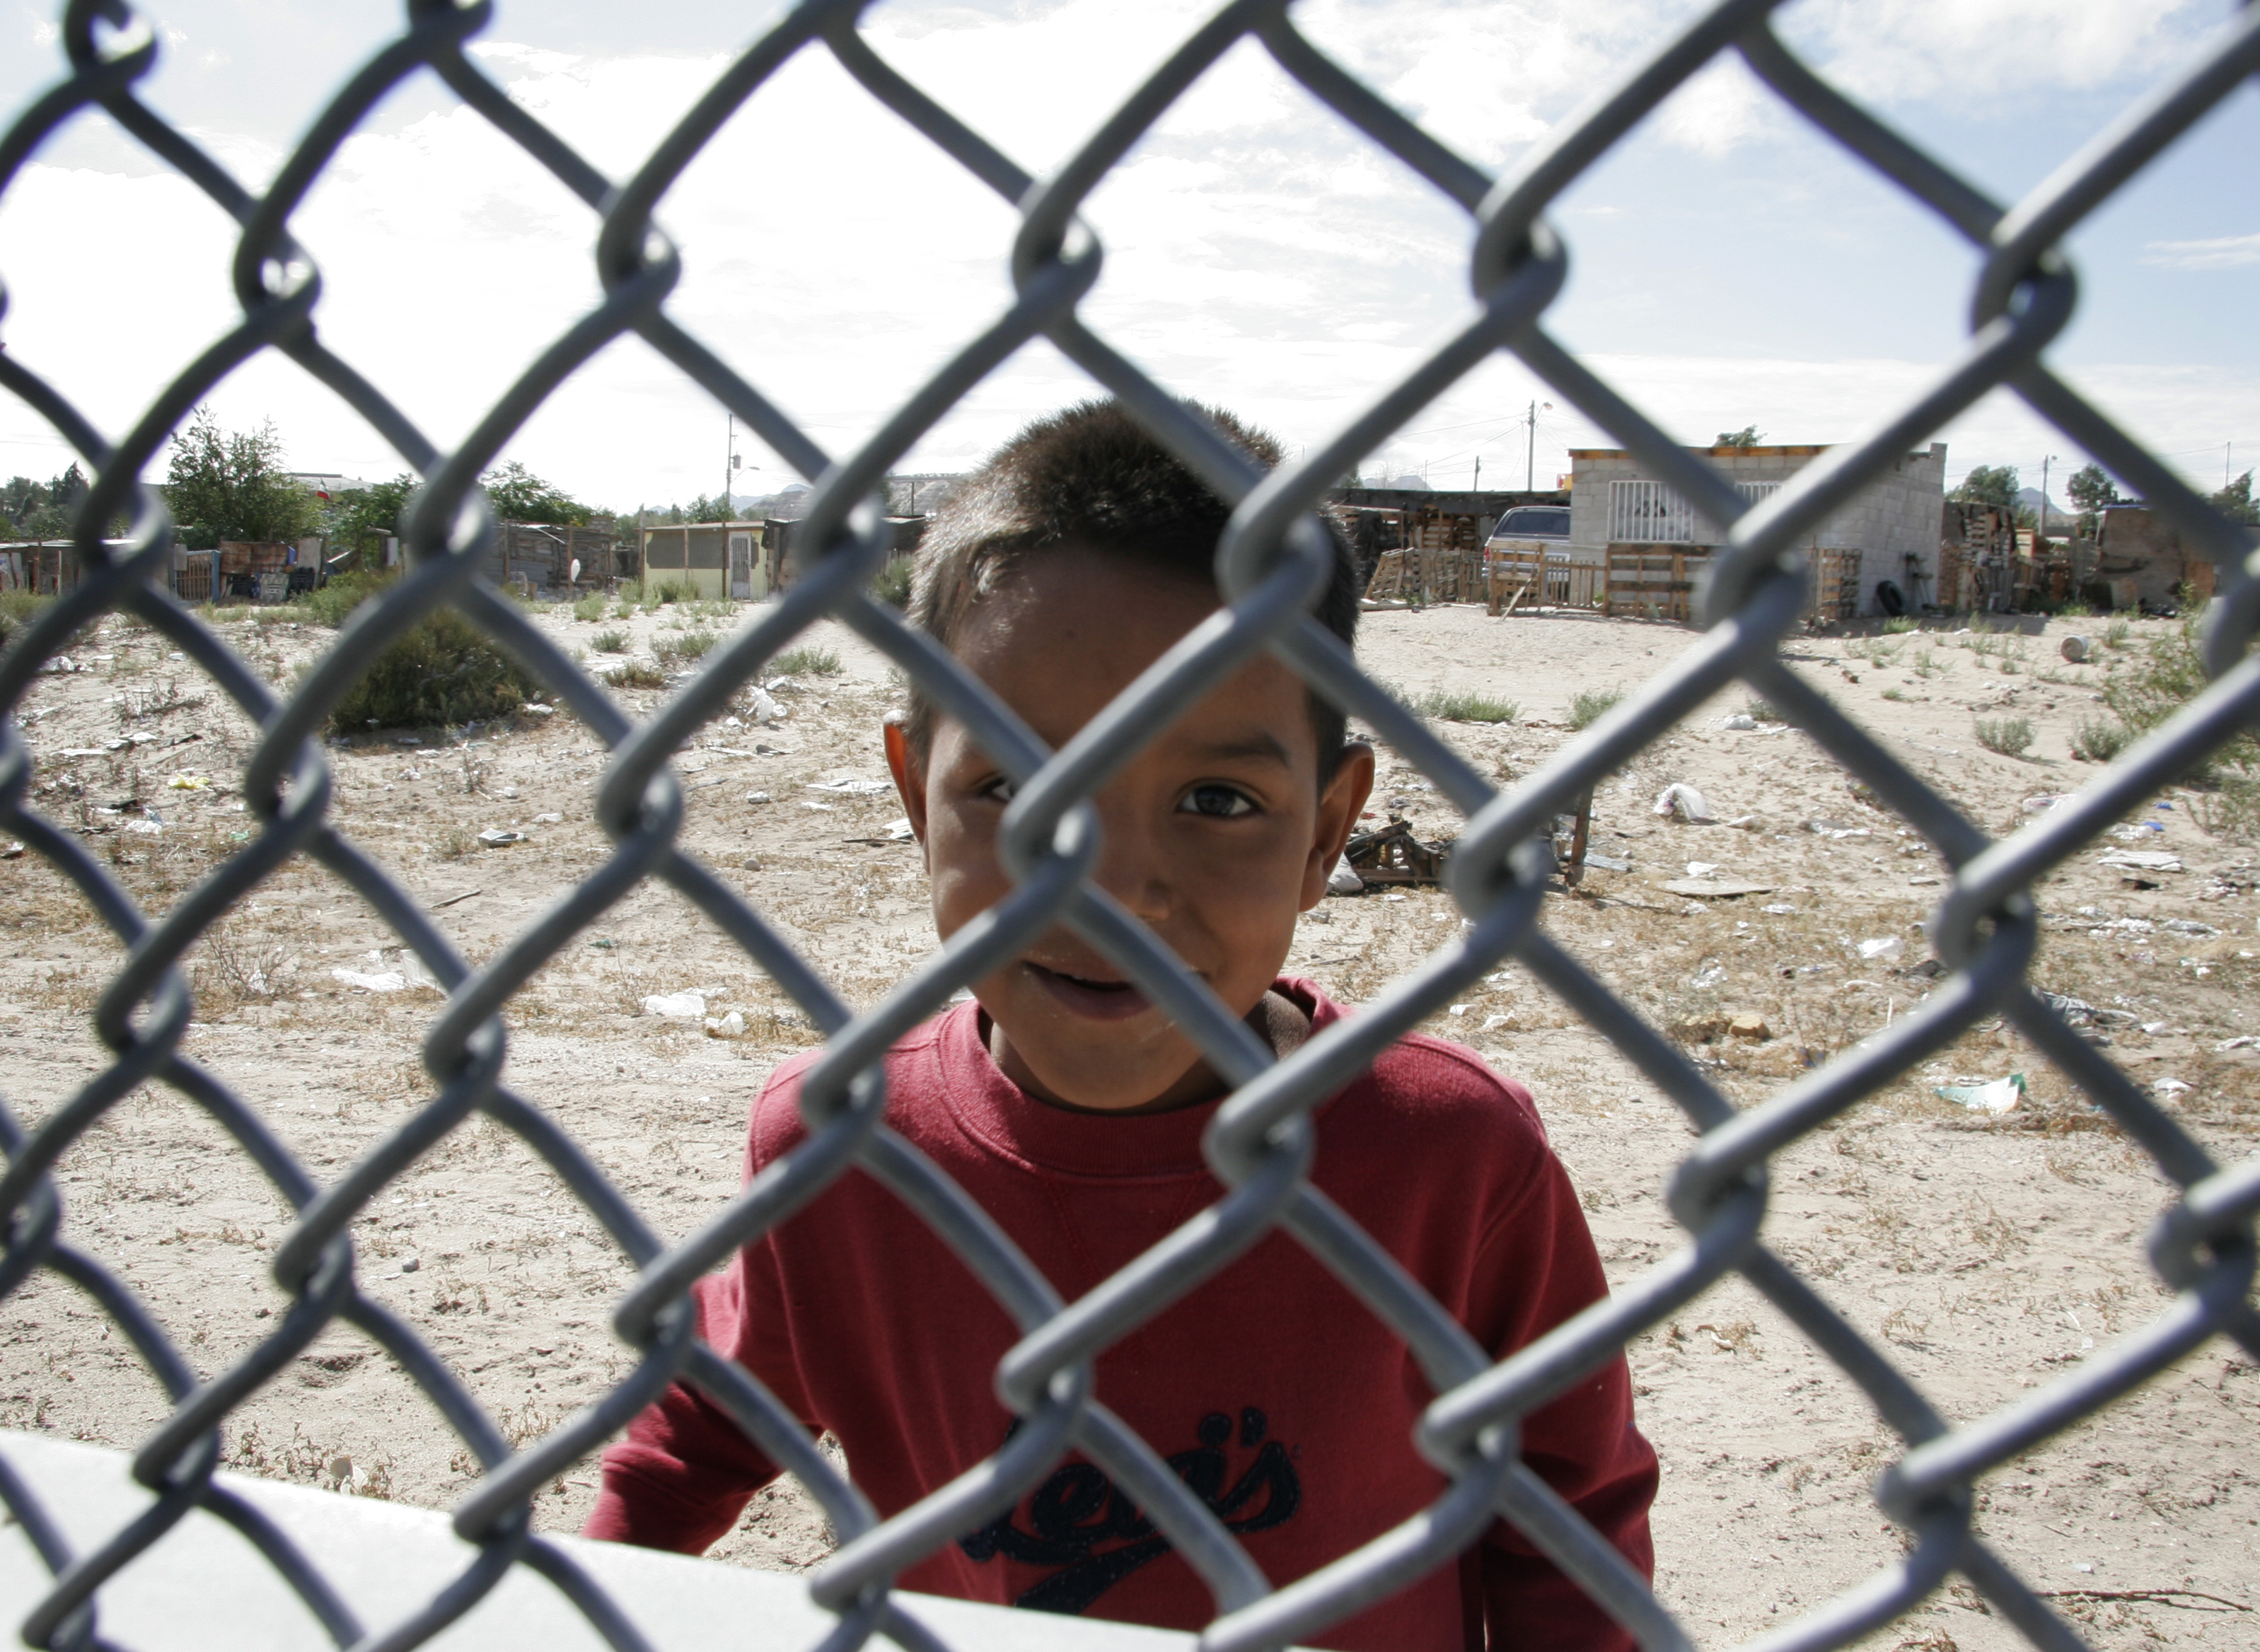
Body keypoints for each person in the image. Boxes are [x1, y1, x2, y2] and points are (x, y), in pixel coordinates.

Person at [586, 401, 1656, 1649]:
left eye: (1216, 798)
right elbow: (703, 1433)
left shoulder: (1449, 1157)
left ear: (1326, 831)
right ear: (915, 795)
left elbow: (1571, 1539)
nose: (1107, 887)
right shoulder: (838, 1148)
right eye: (1013, 787)